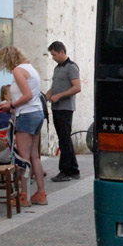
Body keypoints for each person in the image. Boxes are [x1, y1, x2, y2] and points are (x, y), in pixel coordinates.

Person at [0, 45, 47, 206]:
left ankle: (23, 195)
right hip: (37, 112)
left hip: (26, 114)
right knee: (34, 156)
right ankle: (41, 192)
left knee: (23, 156)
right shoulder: (31, 69)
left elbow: (27, 95)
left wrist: (11, 105)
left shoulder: (18, 71)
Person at [46, 40, 81, 181]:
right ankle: (74, 170)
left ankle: (65, 171)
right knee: (64, 139)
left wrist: (59, 96)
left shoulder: (71, 67)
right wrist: (47, 96)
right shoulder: (57, 68)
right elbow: (55, 86)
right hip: (56, 107)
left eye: (54, 54)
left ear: (62, 52)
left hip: (65, 108)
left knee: (64, 140)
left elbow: (77, 87)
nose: (53, 57)